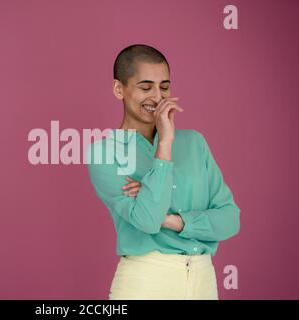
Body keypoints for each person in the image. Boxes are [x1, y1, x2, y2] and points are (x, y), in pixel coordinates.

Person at [85, 44, 240, 300]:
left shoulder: (194, 143)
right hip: (147, 282)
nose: (157, 97)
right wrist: (165, 145)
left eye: (164, 87)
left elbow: (230, 219)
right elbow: (146, 220)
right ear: (118, 89)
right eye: (146, 87)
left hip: (203, 281)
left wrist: (172, 221)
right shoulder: (103, 153)